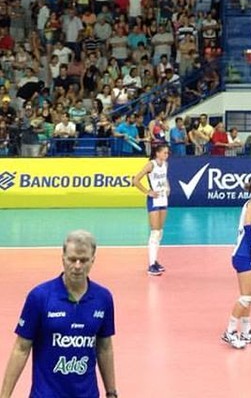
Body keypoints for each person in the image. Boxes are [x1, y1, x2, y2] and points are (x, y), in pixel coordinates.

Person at [0, 230, 117, 398]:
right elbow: (21, 348)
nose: (77, 266)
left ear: (93, 260)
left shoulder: (103, 298)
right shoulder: (39, 297)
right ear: (62, 258)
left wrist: (111, 392)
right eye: (72, 259)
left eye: (83, 260)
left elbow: (104, 348)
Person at [222, 177, 251, 349]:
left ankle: (247, 331)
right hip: (244, 254)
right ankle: (230, 331)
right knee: (246, 297)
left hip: (244, 254)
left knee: (248, 298)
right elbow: (247, 225)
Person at [133, 143, 170, 276]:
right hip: (154, 200)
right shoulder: (151, 165)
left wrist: (168, 187)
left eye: (167, 153)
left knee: (160, 232)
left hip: (163, 198)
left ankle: (155, 260)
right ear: (157, 153)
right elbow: (136, 180)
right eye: (164, 153)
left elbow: (164, 177)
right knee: (154, 232)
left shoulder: (165, 165)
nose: (167, 155)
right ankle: (151, 265)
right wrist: (147, 191)